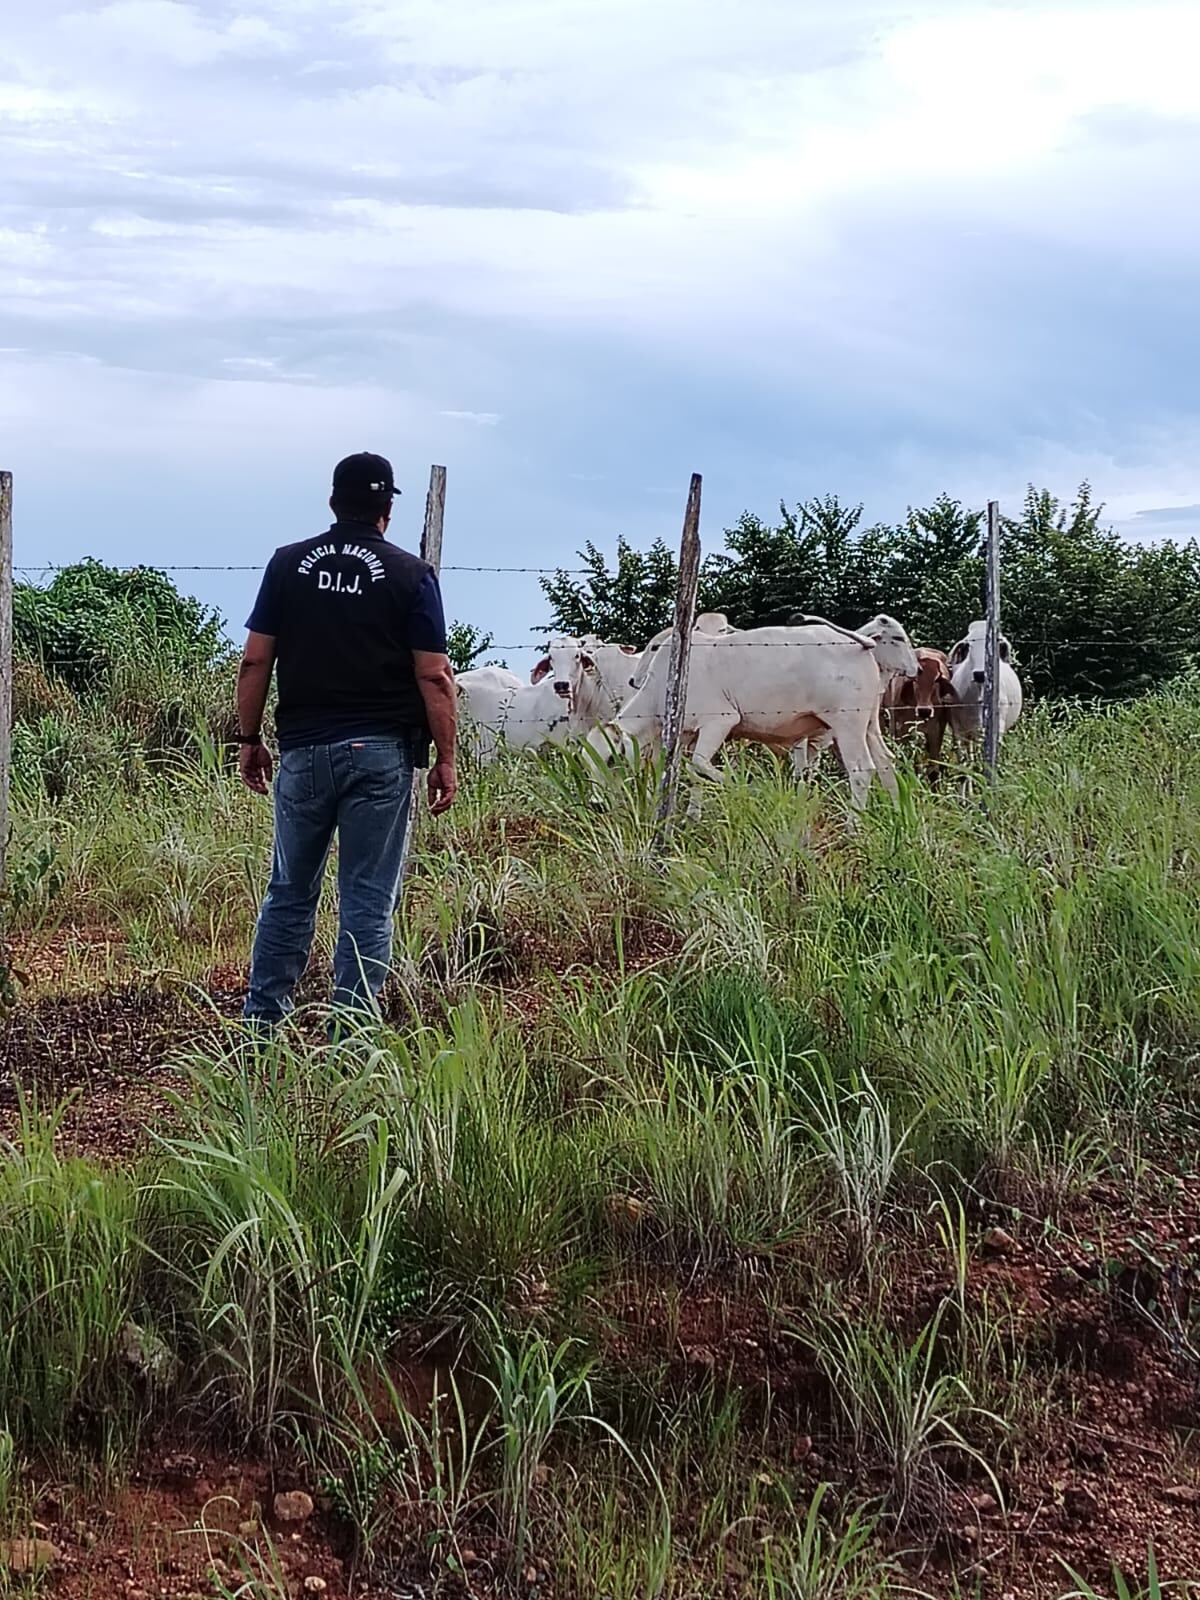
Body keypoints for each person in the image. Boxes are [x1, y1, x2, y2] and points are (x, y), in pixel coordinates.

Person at [236, 451, 457, 1027]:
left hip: (304, 752)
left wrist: (248, 738)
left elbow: (255, 661)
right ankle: (353, 1038)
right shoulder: (412, 575)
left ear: (333, 503)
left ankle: (261, 1027)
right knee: (367, 899)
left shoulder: (288, 565)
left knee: (289, 890)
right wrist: (446, 760)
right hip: (383, 756)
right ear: (387, 510)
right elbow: (434, 675)